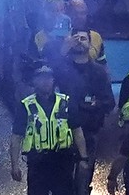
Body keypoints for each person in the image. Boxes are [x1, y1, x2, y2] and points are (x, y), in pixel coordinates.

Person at [51, 28, 115, 195]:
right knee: (61, 183)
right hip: (61, 134)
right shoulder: (60, 70)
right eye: (76, 38)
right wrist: (63, 49)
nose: (79, 41)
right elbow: (42, 73)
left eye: (83, 38)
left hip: (89, 132)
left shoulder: (99, 72)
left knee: (83, 181)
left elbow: (109, 102)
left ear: (90, 43)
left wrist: (93, 105)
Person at [14, 64, 78, 195]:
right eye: (41, 78)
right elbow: (16, 137)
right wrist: (14, 164)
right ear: (34, 81)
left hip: (62, 160)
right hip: (37, 162)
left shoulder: (65, 102)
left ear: (53, 80)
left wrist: (83, 158)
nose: (46, 81)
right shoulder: (26, 105)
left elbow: (77, 130)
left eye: (49, 78)